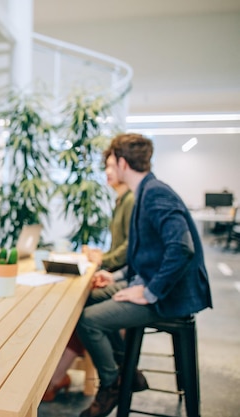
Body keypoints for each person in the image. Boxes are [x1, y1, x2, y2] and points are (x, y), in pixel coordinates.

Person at [76, 133, 212, 417]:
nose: (109, 168)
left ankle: (112, 383)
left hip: (170, 295)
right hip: (152, 284)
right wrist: (118, 277)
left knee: (88, 322)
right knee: (84, 300)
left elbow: (181, 247)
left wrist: (148, 292)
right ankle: (127, 371)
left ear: (123, 163)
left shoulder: (155, 193)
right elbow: (148, 254)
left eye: (112, 162)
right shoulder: (145, 192)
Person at [42, 146, 135, 402]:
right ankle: (57, 376)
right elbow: (123, 246)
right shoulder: (121, 200)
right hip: (119, 274)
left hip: (126, 279)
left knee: (78, 310)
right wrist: (102, 256)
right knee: (77, 306)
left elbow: (130, 247)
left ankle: (58, 377)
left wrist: (104, 260)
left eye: (111, 167)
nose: (107, 172)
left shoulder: (131, 200)